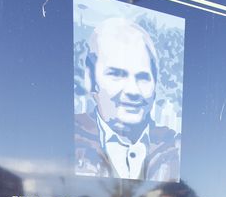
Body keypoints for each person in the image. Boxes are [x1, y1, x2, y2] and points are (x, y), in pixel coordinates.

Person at [74, 17, 180, 181]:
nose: (133, 90)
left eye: (143, 77)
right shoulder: (72, 139)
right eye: (117, 74)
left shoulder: (173, 148)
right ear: (91, 78)